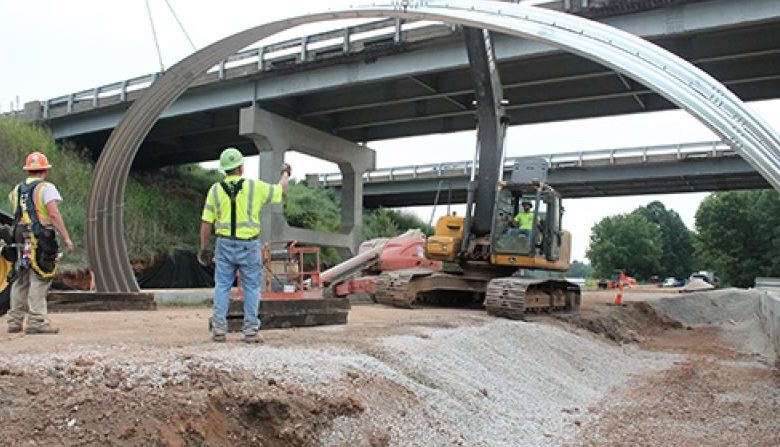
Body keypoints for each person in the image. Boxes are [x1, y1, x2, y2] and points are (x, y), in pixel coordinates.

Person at [199, 147, 290, 343]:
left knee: (222, 286)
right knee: (251, 287)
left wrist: (204, 248)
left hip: (223, 244)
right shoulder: (254, 187)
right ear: (241, 167)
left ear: (225, 169)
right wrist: (285, 174)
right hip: (248, 246)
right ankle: (250, 331)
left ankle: (219, 330)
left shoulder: (214, 191)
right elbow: (281, 190)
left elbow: (206, 222)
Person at [7, 152, 74, 335]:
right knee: (40, 276)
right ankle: (36, 321)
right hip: (40, 236)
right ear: (45, 170)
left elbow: (17, 213)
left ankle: (14, 321)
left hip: (20, 235)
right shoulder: (47, 188)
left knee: (21, 276)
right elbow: (53, 214)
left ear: (28, 170)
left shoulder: (17, 190)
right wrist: (66, 237)